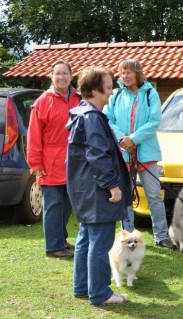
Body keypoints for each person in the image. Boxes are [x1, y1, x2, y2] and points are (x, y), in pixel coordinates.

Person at [66, 66, 131, 305]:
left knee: (86, 239)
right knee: (100, 242)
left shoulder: (82, 114)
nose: (112, 89)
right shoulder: (92, 117)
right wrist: (112, 186)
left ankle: (82, 287)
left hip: (85, 189)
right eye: (108, 84)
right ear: (95, 89)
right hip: (97, 191)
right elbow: (97, 155)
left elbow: (93, 152)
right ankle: (100, 294)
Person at [103, 59, 175, 250]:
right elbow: (108, 119)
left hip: (146, 153)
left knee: (154, 195)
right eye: (122, 72)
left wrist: (134, 139)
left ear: (137, 74)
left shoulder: (151, 93)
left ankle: (161, 236)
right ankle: (127, 238)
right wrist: (122, 139)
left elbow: (154, 121)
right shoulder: (116, 95)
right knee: (125, 196)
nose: (125, 76)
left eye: (129, 72)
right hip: (122, 153)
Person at [27, 60, 81, 258]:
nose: (62, 77)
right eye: (57, 74)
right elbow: (33, 136)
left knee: (67, 205)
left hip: (73, 163)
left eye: (65, 73)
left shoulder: (77, 98)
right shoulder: (42, 101)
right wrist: (35, 164)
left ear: (71, 75)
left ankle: (61, 240)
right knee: (52, 206)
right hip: (50, 163)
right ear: (51, 76)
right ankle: (53, 247)